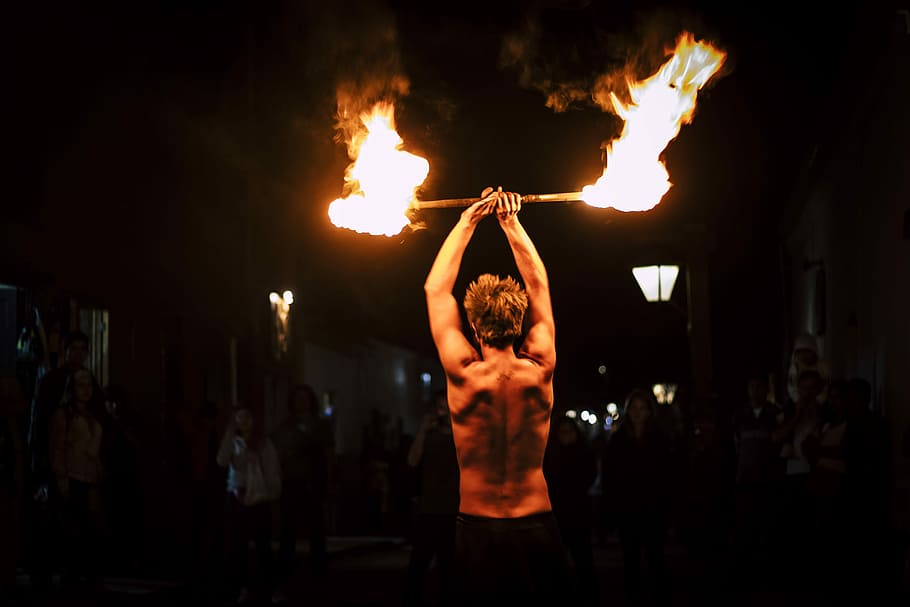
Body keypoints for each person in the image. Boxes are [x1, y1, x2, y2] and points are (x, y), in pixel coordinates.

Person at [423, 186, 576, 606]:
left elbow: (436, 290)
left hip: (477, 527)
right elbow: (539, 286)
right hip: (536, 525)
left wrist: (466, 222)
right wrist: (511, 223)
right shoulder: (540, 367)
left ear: (473, 327)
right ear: (519, 318)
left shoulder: (463, 373)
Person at [602, 388, 673, 606]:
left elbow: (669, 474)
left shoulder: (660, 437)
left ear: (649, 411)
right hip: (628, 510)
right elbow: (609, 475)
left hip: (654, 508)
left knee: (656, 559)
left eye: (642, 408)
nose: (638, 412)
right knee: (630, 559)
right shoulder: (618, 440)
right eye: (634, 408)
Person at [271, 384, 333, 603]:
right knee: (288, 532)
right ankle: (284, 576)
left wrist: (327, 483)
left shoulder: (319, 426)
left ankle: (319, 577)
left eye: (304, 399)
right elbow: (277, 451)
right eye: (297, 399)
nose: (301, 403)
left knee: (316, 532)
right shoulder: (286, 427)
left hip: (312, 483)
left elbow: (326, 455)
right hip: (291, 482)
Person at [217, 404, 282, 605]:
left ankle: (272, 588)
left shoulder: (264, 443)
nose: (242, 422)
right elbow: (221, 460)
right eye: (238, 418)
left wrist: (272, 494)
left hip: (258, 498)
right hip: (236, 496)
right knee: (238, 546)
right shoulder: (233, 441)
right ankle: (243, 588)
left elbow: (272, 470)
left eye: (247, 417)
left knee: (263, 545)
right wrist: (228, 433)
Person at [402, 390, 460, 607]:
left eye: (446, 404)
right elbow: (412, 460)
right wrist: (423, 431)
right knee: (419, 562)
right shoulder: (429, 435)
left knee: (449, 565)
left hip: (455, 508)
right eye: (439, 405)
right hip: (430, 507)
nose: (442, 409)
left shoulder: (463, 434)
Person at [543, 415, 599, 606]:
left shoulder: (584, 453)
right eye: (563, 431)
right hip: (558, 513)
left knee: (583, 556)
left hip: (579, 512)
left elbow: (590, 475)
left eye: (570, 431)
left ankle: (587, 591)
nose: (566, 435)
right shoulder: (551, 456)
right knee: (558, 558)